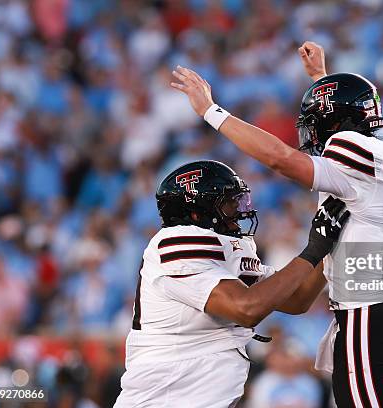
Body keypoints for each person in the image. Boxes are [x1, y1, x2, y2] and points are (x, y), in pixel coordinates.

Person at [171, 41, 383, 408]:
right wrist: (323, 81)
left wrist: (211, 111)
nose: (314, 136)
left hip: (366, 318)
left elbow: (280, 159)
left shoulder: (354, 154)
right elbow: (353, 128)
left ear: (338, 126)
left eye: (320, 124)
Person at [114, 160, 349, 408]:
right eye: (229, 203)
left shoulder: (227, 246)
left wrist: (332, 246)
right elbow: (247, 309)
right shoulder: (175, 243)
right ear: (197, 212)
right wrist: (314, 248)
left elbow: (298, 298)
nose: (239, 209)